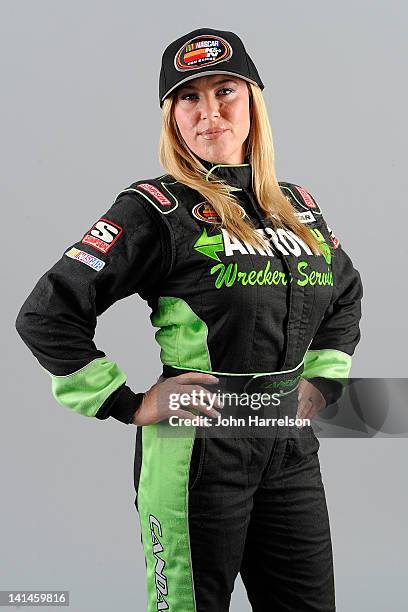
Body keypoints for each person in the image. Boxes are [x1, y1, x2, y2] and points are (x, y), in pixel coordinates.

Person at [15, 27, 363, 612]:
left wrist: (324, 380)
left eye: (225, 90)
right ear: (171, 116)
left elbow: (345, 291)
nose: (209, 113)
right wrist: (126, 402)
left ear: (254, 101)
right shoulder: (154, 208)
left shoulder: (298, 206)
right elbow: (47, 313)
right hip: (197, 449)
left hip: (289, 448)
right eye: (187, 97)